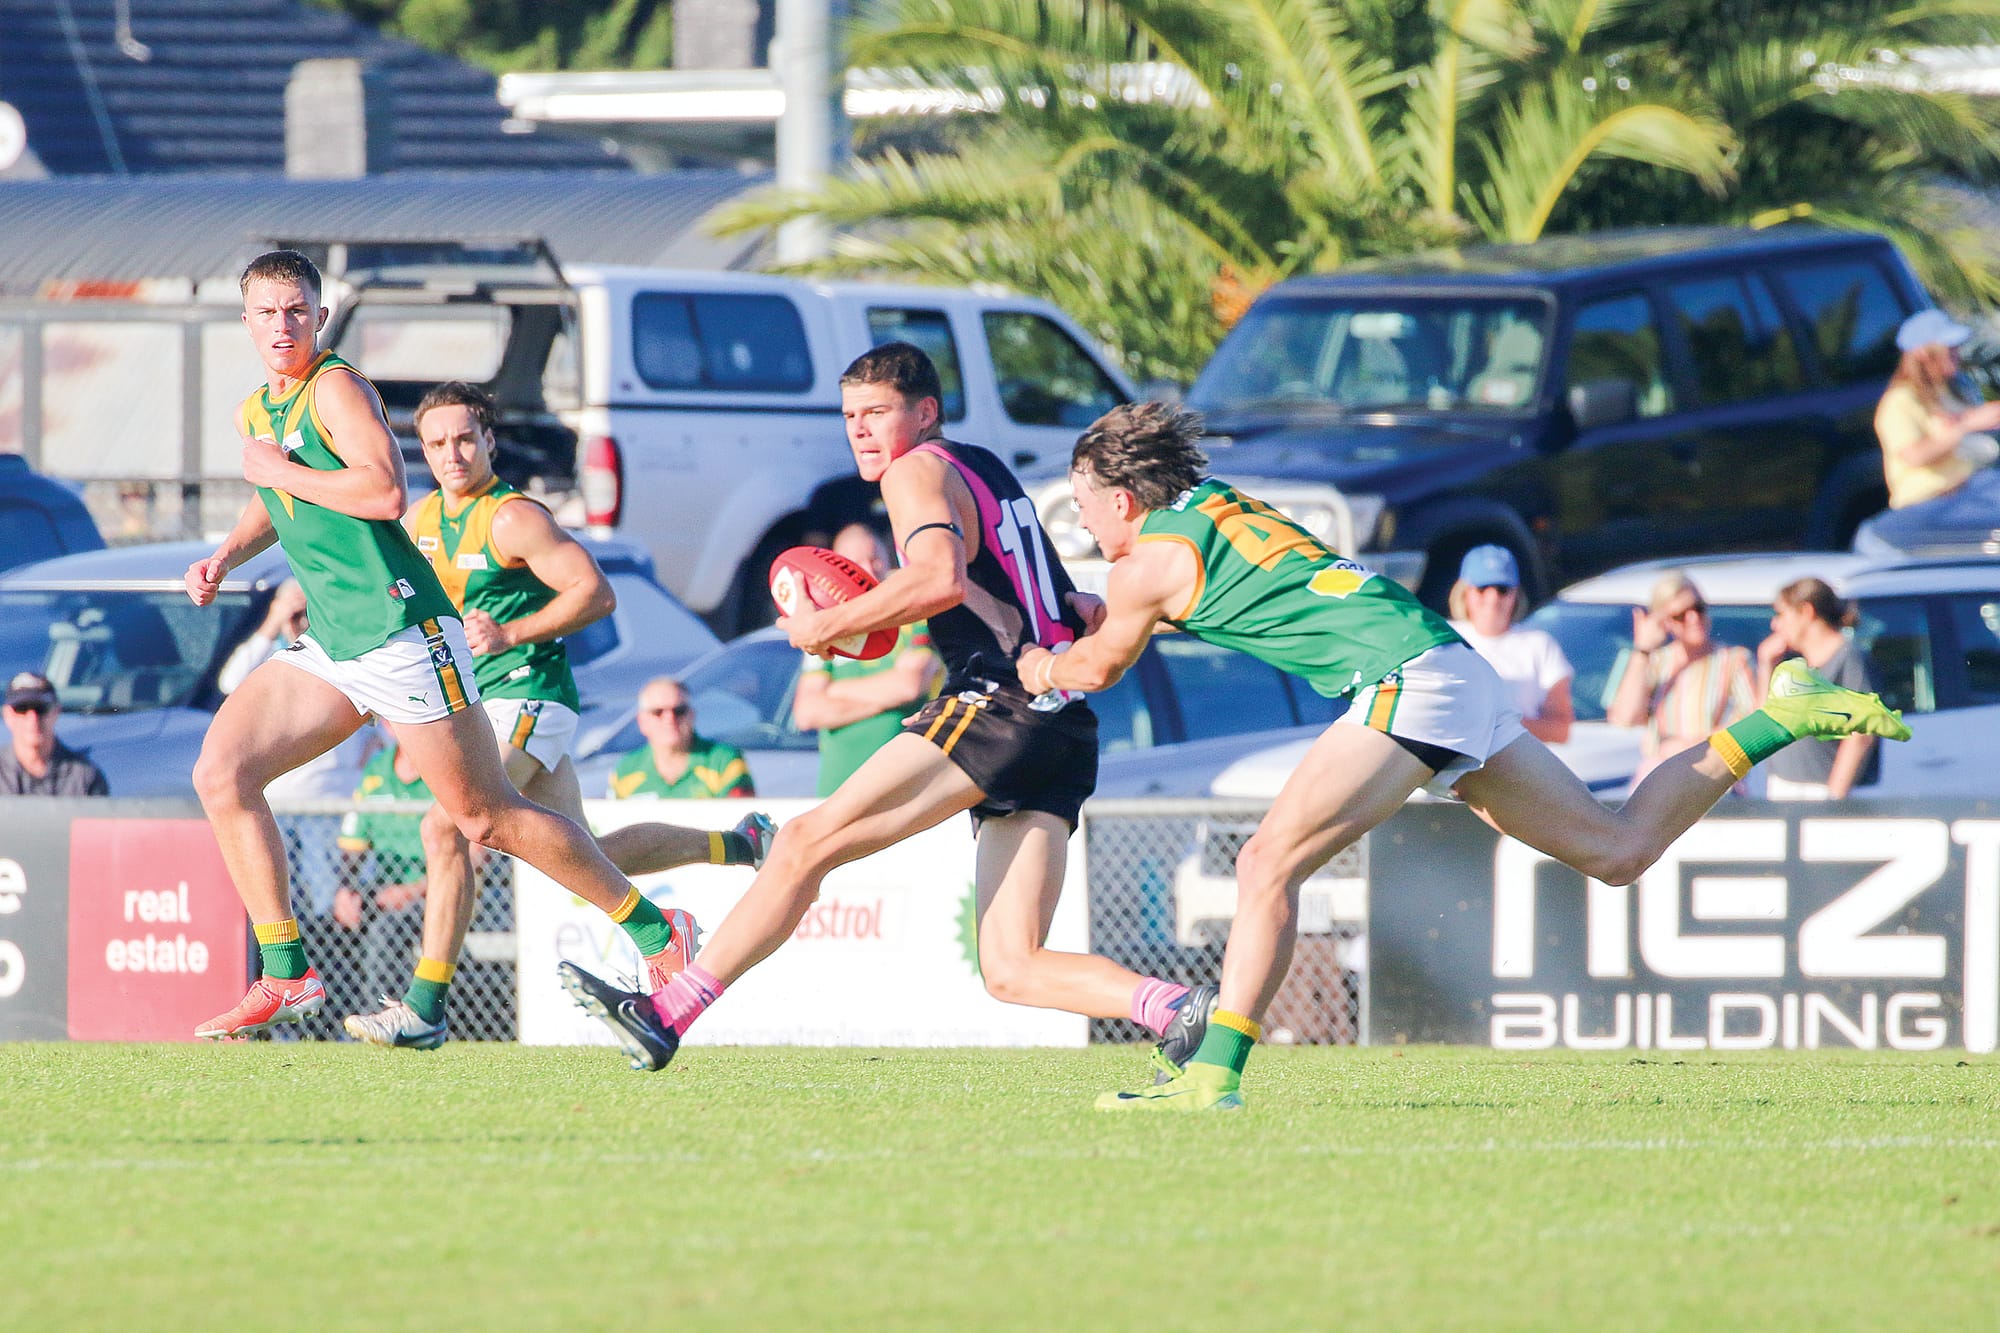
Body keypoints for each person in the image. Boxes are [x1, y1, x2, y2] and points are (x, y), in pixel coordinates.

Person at [1016, 402, 1908, 1111]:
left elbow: (1096, 665)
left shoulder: (1143, 566)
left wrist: (1039, 661)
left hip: (1404, 679)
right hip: (1451, 668)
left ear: (1120, 495)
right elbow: (1189, 601)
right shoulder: (1217, 509)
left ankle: (1213, 1076)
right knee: (1618, 850)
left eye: (1083, 498)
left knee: (1262, 864)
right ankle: (1777, 716)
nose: (1083, 517)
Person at [558, 343, 1204, 1073]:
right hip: (1062, 723)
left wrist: (822, 626)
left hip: (998, 705)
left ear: (925, 412)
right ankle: (1171, 1007)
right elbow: (1053, 601)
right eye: (849, 416)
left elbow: (937, 580)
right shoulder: (983, 465)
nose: (861, 431)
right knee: (1011, 965)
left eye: (876, 413)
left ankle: (666, 1013)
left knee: (802, 841)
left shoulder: (914, 469)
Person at [184, 249, 699, 1041]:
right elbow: (272, 496)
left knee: (486, 818)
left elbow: (385, 489)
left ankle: (660, 933)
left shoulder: (336, 386)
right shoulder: (257, 411)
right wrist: (225, 553)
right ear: (245, 320)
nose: (283, 325)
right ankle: (287, 973)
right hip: (336, 642)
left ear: (319, 318)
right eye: (266, 312)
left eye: (297, 310)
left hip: (401, 634)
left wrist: (281, 470)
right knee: (222, 772)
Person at [342, 382, 774, 1048]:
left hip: (530, 693)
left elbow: (595, 594)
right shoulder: (421, 519)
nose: (450, 453)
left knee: (451, 824)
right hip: (475, 702)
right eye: (435, 443)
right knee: (587, 857)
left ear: (488, 440)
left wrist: (512, 634)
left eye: (463, 438)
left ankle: (427, 1004)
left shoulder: (512, 517)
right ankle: (740, 843)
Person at [791, 522, 943, 794]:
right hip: (838, 788)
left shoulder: (915, 615)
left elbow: (909, 685)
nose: (869, 569)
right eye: (856, 562)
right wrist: (887, 701)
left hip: (907, 786)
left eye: (875, 558)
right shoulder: (826, 628)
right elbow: (807, 712)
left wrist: (836, 691)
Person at [1605, 569, 1756, 783]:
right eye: (1680, 615)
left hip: (1716, 776)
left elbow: (1752, 723)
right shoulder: (1654, 661)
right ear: (1665, 622)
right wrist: (1643, 651)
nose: (1693, 619)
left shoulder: (1734, 660)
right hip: (1660, 776)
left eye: (1698, 608)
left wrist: (1690, 746)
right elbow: (1626, 718)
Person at [1755, 578, 1883, 801]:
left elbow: (1861, 734)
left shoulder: (1848, 658)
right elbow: (1763, 726)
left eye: (1781, 615)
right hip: (1783, 788)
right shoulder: (1794, 665)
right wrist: (1766, 666)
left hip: (1821, 793)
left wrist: (1833, 799)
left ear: (1806, 612)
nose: (1775, 625)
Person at [1446, 545, 1573, 744]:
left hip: (1520, 761)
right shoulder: (1446, 637)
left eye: (1502, 589)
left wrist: (1498, 726)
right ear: (1465, 592)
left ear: (1515, 594)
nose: (1492, 598)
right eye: (1482, 589)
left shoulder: (1539, 644)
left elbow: (1561, 731)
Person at [1875, 309, 2000, 510]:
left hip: (1969, 494)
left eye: (1956, 346)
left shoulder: (1952, 391)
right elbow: (1914, 456)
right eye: (1949, 348)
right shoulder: (1899, 402)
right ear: (1922, 353)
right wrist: (1966, 426)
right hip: (1928, 507)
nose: (1956, 353)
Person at [608, 677, 757, 800]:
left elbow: (740, 828)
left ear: (691, 715)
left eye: (679, 711)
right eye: (658, 712)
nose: (670, 718)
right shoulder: (625, 770)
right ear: (642, 721)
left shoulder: (724, 762)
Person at [0, 671, 108, 796]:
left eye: (41, 708)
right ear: (8, 715)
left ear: (56, 712)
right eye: (22, 708)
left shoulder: (84, 778)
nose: (33, 719)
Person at [217, 578, 307, 694]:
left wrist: (298, 642)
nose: (302, 621)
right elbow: (231, 683)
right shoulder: (269, 650)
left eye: (307, 613)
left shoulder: (327, 650)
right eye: (296, 615)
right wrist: (272, 625)